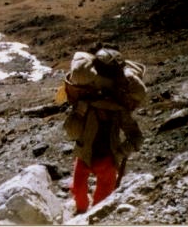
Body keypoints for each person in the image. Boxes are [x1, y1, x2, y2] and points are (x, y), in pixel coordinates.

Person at [61, 47, 145, 214]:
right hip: (86, 154)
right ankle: (82, 213)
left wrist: (120, 153)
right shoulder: (87, 105)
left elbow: (136, 137)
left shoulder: (118, 111)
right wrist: (79, 113)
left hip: (103, 158)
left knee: (100, 202)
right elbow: (70, 132)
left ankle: (90, 218)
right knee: (78, 191)